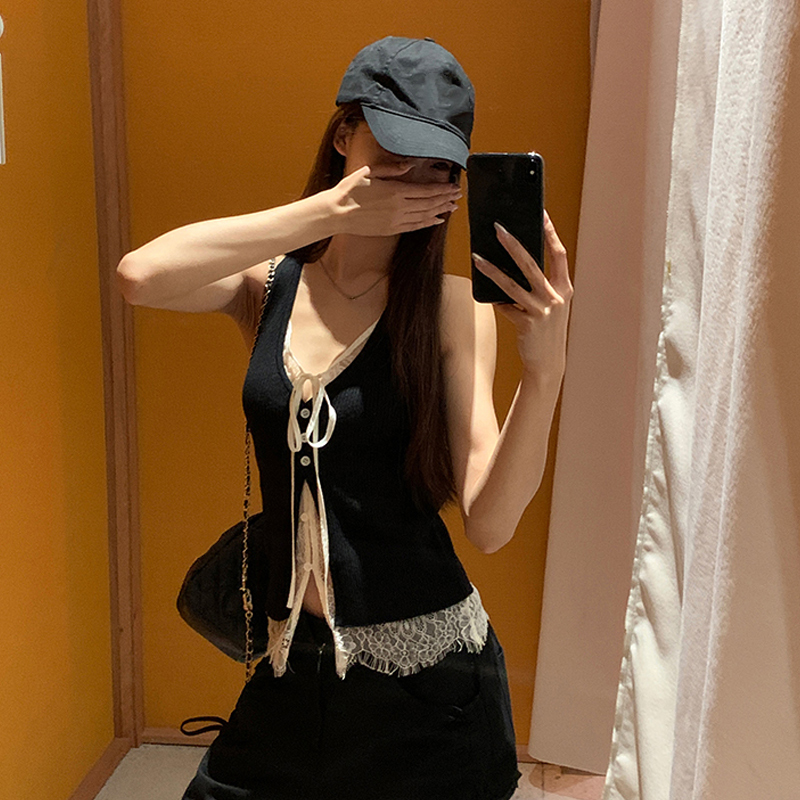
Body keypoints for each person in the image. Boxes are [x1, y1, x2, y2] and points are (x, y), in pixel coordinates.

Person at [117, 35, 573, 800]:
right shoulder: (268, 286)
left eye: (435, 168)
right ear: (343, 135)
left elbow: (491, 523)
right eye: (391, 154)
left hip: (430, 687)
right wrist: (327, 211)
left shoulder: (452, 309)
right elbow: (141, 276)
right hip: (294, 669)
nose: (409, 183)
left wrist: (546, 370)